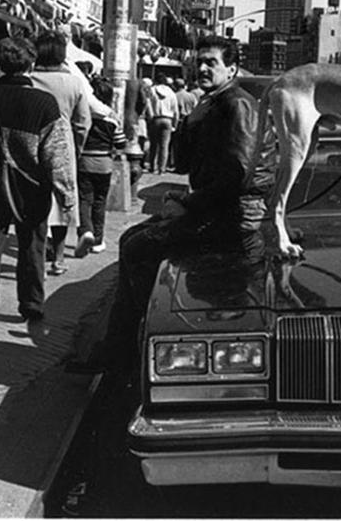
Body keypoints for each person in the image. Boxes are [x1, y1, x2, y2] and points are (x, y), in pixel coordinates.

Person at [68, 36, 274, 373]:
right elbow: (191, 163)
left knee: (138, 248)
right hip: (215, 209)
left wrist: (190, 204)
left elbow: (237, 174)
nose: (203, 67)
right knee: (133, 240)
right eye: (200, 61)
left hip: (233, 218)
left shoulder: (237, 105)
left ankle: (126, 351)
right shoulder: (214, 103)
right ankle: (121, 347)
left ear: (232, 69)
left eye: (212, 62)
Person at [0, 37, 75, 342]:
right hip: (32, 188)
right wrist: (67, 197)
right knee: (32, 246)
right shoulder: (44, 103)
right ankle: (32, 303)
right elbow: (57, 156)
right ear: (30, 64)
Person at [29, 30, 90, 276]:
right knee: (62, 200)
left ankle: (38, 256)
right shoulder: (74, 83)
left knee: (36, 201)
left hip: (32, 142)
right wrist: (77, 146)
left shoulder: (29, 78)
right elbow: (83, 121)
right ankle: (59, 257)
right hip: (64, 144)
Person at [74, 77, 127, 258]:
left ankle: (85, 231)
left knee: (84, 200)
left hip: (84, 163)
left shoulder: (83, 115)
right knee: (99, 202)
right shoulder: (112, 120)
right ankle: (98, 240)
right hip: (104, 165)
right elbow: (120, 143)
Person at [145, 72, 178, 175]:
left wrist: (150, 119)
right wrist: (174, 124)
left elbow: (148, 105)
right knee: (164, 146)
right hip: (168, 120)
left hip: (156, 119)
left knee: (153, 145)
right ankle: (161, 169)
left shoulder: (152, 90)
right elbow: (176, 111)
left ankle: (152, 166)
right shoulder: (171, 93)